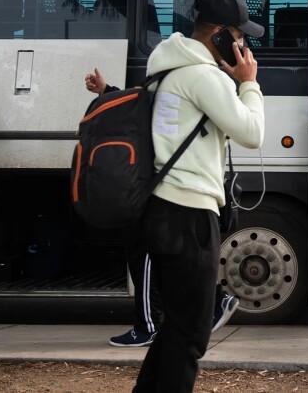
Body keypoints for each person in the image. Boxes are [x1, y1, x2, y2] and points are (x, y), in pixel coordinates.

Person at [131, 0, 265, 392]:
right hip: (189, 214)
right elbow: (252, 132)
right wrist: (249, 83)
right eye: (240, 37)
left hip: (163, 208)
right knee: (191, 335)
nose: (243, 45)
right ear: (221, 34)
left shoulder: (166, 69)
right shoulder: (203, 76)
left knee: (178, 329)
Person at [84, 69, 241, 347]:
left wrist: (107, 91)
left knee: (144, 256)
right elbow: (137, 104)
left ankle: (148, 325)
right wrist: (106, 89)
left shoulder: (172, 89)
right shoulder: (179, 90)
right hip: (175, 188)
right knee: (179, 260)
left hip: (157, 189)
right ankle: (212, 302)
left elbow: (135, 106)